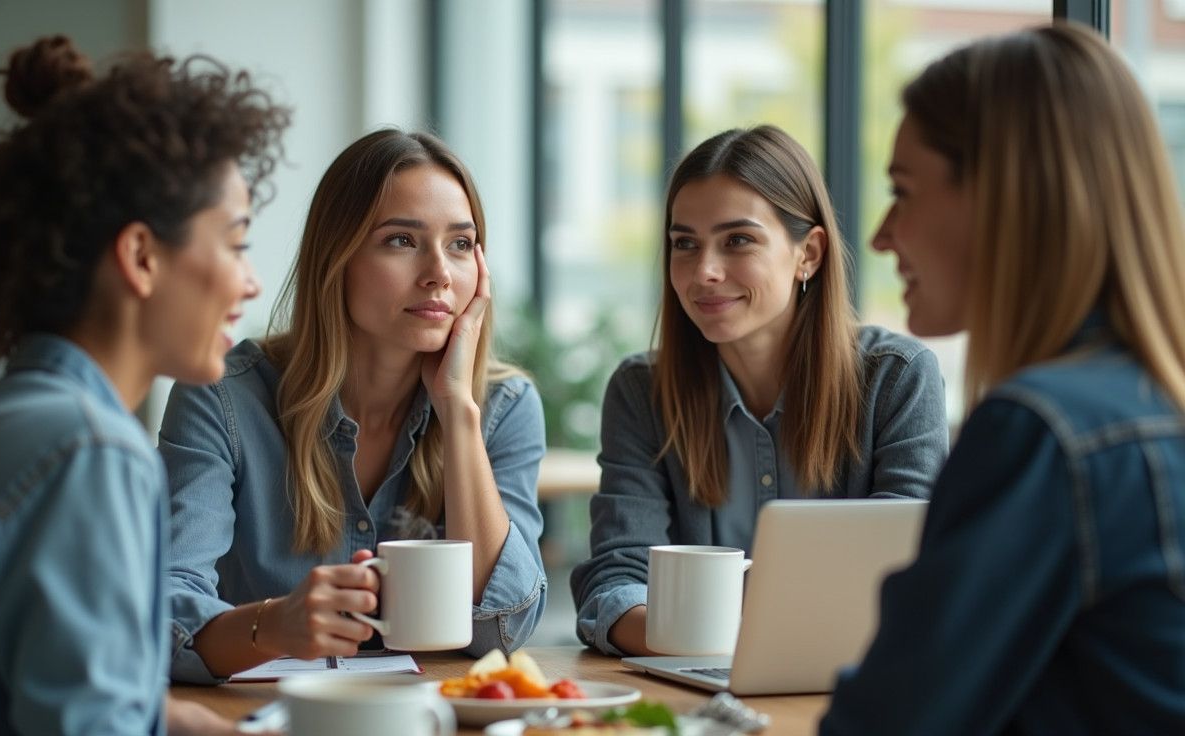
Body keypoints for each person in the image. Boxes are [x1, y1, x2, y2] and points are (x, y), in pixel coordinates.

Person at [0, 36, 289, 735]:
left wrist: (182, 720)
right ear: (141, 257)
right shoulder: (91, 454)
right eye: (237, 243)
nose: (250, 282)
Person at [820, 23, 1185, 734]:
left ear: (1001, 196)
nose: (880, 235)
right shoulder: (1151, 409)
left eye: (903, 190)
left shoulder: (1040, 432)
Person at [160, 129, 548, 683]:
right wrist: (276, 625)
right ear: (336, 259)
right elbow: (165, 613)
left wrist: (458, 413)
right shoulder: (222, 398)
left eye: (461, 244)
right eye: (401, 241)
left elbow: (500, 629)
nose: (439, 271)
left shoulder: (504, 407)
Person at [571, 125, 950, 656]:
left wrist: (699, 629)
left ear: (809, 255)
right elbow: (615, 582)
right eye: (685, 244)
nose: (704, 271)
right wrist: (723, 646)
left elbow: (908, 576)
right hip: (691, 686)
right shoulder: (643, 392)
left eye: (738, 240)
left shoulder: (896, 378)